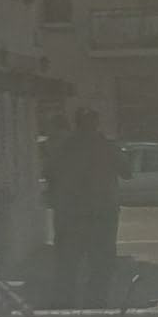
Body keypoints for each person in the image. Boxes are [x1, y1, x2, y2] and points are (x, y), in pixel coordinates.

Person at [40, 106, 121, 305]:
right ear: (96, 123)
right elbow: (126, 171)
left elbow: (48, 173)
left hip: (70, 212)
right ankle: (96, 302)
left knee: (68, 261)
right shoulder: (106, 146)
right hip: (101, 212)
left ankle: (65, 302)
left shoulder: (64, 147)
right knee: (100, 261)